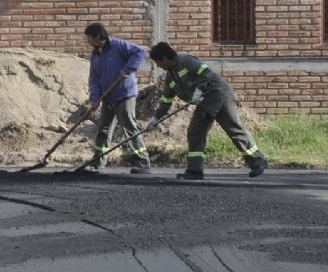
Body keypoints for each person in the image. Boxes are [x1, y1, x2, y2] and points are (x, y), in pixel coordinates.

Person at [147, 42, 268, 180]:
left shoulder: (185, 60)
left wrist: (198, 92)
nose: (158, 66)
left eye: (157, 62)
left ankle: (257, 161)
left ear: (164, 58)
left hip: (219, 94)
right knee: (195, 131)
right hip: (205, 101)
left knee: (233, 128)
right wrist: (156, 118)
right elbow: (166, 99)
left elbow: (206, 72)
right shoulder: (170, 77)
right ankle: (195, 170)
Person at [84, 23, 152, 174]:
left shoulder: (117, 45)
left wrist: (127, 70)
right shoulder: (95, 55)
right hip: (107, 97)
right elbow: (94, 78)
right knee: (103, 128)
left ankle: (143, 161)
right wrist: (95, 99)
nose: (87, 41)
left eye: (89, 37)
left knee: (129, 127)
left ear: (97, 36)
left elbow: (140, 52)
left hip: (124, 94)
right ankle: (98, 162)